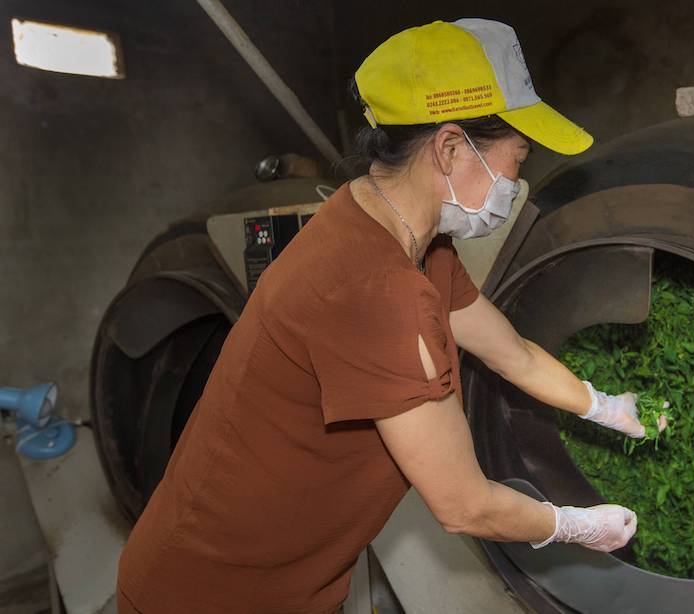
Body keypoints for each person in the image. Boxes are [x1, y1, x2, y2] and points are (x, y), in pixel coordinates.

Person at [116, 18, 655, 613]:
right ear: (450, 148)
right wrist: (573, 526)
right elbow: (464, 504)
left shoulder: (398, 231)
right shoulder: (374, 291)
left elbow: (513, 353)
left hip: (291, 580)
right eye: (516, 159)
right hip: (215, 593)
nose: (515, 181)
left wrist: (602, 405)